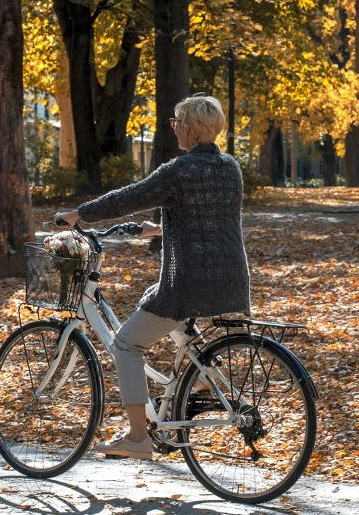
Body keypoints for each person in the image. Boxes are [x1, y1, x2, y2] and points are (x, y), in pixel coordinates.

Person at [54, 95, 250, 458]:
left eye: (175, 122)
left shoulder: (178, 171)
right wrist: (160, 229)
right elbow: (210, 216)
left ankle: (137, 438)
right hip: (231, 280)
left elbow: (126, 198)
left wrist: (77, 214)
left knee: (126, 345)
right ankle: (203, 375)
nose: (173, 128)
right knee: (153, 293)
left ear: (187, 128)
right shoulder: (230, 168)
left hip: (188, 283)